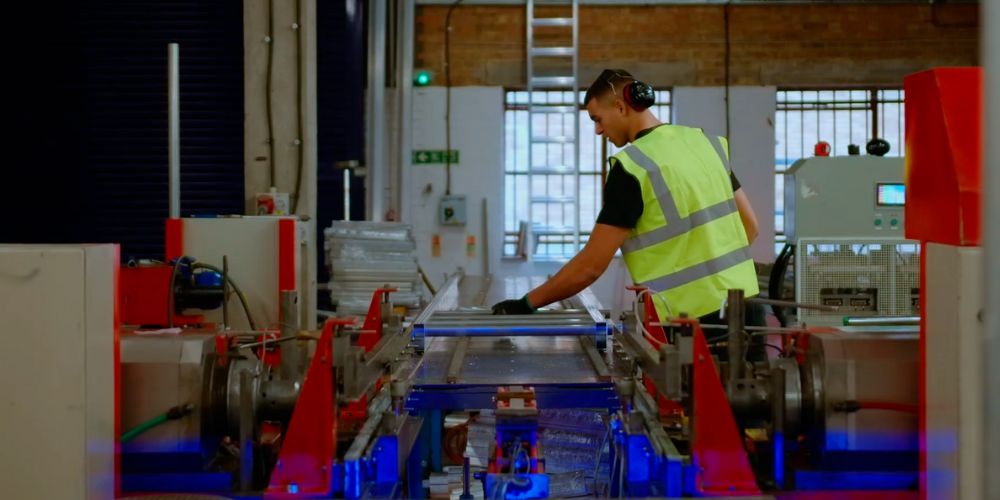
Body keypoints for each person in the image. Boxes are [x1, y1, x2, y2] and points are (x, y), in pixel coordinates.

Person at [493, 69, 763, 352]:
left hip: (689, 323)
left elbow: (590, 266)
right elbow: (750, 227)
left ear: (621, 107)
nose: (598, 130)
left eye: (597, 119)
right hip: (748, 311)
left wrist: (526, 304)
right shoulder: (707, 144)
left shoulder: (632, 167)